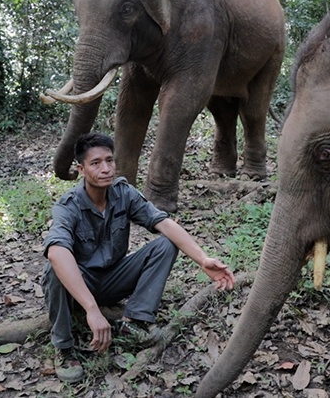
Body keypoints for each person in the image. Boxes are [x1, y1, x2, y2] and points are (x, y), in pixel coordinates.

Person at [42, 132, 235, 383]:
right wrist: (91, 309)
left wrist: (202, 259)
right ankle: (64, 347)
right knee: (54, 269)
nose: (106, 169)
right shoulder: (67, 206)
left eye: (109, 161)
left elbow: (163, 223)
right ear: (81, 169)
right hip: (80, 286)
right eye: (96, 163)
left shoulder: (124, 193)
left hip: (114, 278)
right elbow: (57, 251)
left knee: (166, 244)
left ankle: (134, 321)